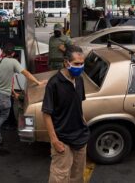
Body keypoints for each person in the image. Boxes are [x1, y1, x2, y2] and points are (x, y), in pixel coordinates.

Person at [0, 42, 46, 147]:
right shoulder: (13, 62)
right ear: (12, 54)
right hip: (3, 96)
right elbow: (26, 74)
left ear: (2, 52)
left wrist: (12, 91)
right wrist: (38, 82)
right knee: (4, 115)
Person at [42, 45, 90, 183]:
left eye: (82, 64)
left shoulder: (80, 80)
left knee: (78, 175)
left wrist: (84, 124)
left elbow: (78, 106)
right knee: (60, 177)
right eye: (76, 64)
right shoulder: (54, 84)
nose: (80, 67)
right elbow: (46, 113)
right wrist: (54, 140)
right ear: (66, 62)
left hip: (80, 136)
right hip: (62, 138)